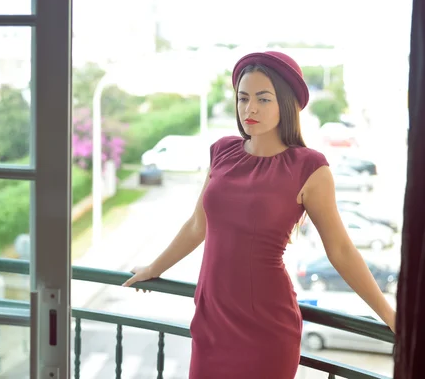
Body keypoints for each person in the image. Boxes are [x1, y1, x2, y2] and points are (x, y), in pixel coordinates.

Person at [122, 51, 396, 378]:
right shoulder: (223, 151)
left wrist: (389, 315)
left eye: (263, 99)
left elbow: (340, 251)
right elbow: (198, 226)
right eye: (243, 98)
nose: (250, 109)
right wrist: (154, 268)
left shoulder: (309, 167)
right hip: (212, 319)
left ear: (287, 103)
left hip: (267, 326)